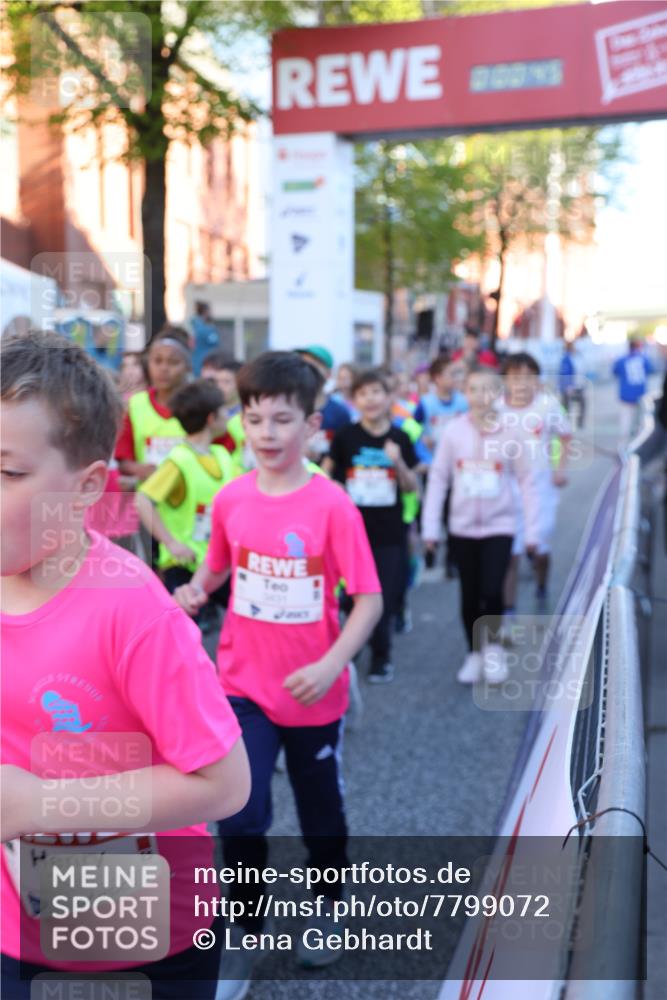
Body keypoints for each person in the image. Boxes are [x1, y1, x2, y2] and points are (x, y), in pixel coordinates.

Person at [0, 331, 250, 1000]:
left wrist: (43, 805)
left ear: (86, 488)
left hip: (149, 941)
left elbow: (225, 784)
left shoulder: (135, 609)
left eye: (8, 472)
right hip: (18, 931)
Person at [173, 352, 382, 990]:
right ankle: (244, 930)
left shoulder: (333, 506)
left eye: (282, 420)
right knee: (239, 809)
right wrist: (195, 590)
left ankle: (328, 907)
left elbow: (368, 599)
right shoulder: (234, 498)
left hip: (314, 692)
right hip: (240, 687)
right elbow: (218, 565)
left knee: (320, 812)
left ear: (312, 424)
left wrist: (329, 664)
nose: (265, 433)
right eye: (254, 418)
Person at [421, 365, 540, 685]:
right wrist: (430, 529)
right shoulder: (453, 432)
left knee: (492, 588)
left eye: (487, 389)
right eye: (473, 389)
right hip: (461, 528)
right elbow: (438, 479)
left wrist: (532, 531)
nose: (480, 395)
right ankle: (474, 653)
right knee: (469, 595)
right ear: (466, 393)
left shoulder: (511, 432)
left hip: (499, 526)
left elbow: (527, 482)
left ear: (497, 394)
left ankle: (494, 651)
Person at [324, 369, 418, 683]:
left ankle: (381, 656)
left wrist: (398, 462)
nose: (371, 399)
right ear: (355, 400)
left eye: (377, 392)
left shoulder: (400, 438)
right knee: (349, 595)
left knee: (383, 595)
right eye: (364, 394)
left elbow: (410, 487)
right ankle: (353, 644)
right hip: (349, 530)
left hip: (389, 531)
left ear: (389, 397)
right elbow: (328, 474)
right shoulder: (345, 436)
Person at [135, 379, 237, 629]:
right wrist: (171, 542)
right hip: (184, 566)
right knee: (184, 634)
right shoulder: (179, 460)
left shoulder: (222, 455)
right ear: (211, 418)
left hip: (218, 562)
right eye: (224, 410)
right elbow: (142, 499)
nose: (229, 416)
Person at [499, 352, 572, 615]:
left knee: (539, 548)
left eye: (528, 377)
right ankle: (509, 609)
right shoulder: (496, 408)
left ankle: (541, 584)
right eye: (515, 377)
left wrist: (560, 470)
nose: (522, 383)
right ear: (505, 380)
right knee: (511, 550)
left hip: (541, 487)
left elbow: (566, 436)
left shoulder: (547, 406)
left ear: (537, 380)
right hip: (507, 488)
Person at [115, 331, 191, 483]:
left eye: (173, 362)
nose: (164, 368)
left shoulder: (200, 403)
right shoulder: (136, 405)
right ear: (147, 364)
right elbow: (123, 458)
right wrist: (142, 470)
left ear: (187, 367)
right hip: (148, 500)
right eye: (157, 361)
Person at [297, 345, 351, 462]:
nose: (307, 370)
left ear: (329, 374)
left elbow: (346, 452)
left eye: (314, 365)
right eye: (303, 364)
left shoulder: (340, 413)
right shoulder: (289, 407)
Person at [414, 353, 468, 456]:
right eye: (452, 374)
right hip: (431, 459)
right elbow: (412, 425)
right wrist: (421, 437)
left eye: (457, 374)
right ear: (437, 378)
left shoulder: (463, 401)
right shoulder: (426, 403)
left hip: (457, 457)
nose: (456, 378)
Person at [200, 352, 246, 468]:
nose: (219, 387)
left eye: (226, 382)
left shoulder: (249, 417)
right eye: (217, 382)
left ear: (240, 384)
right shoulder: (208, 415)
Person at [612, 339, 656, 441]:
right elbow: (651, 370)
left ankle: (624, 445)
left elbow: (615, 372)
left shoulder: (621, 360)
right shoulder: (644, 359)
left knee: (626, 422)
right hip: (640, 394)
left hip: (626, 395)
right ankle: (637, 445)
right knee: (640, 422)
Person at [558, 339, 586, 429]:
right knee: (567, 406)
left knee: (577, 405)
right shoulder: (567, 359)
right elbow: (565, 373)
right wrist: (568, 386)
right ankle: (567, 424)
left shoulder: (574, 357)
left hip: (576, 386)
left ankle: (576, 423)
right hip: (571, 387)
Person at [190, 301, 220, 376]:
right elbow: (215, 341)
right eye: (210, 311)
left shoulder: (194, 326)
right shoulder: (205, 329)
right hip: (205, 363)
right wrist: (212, 329)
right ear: (205, 311)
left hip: (196, 362)